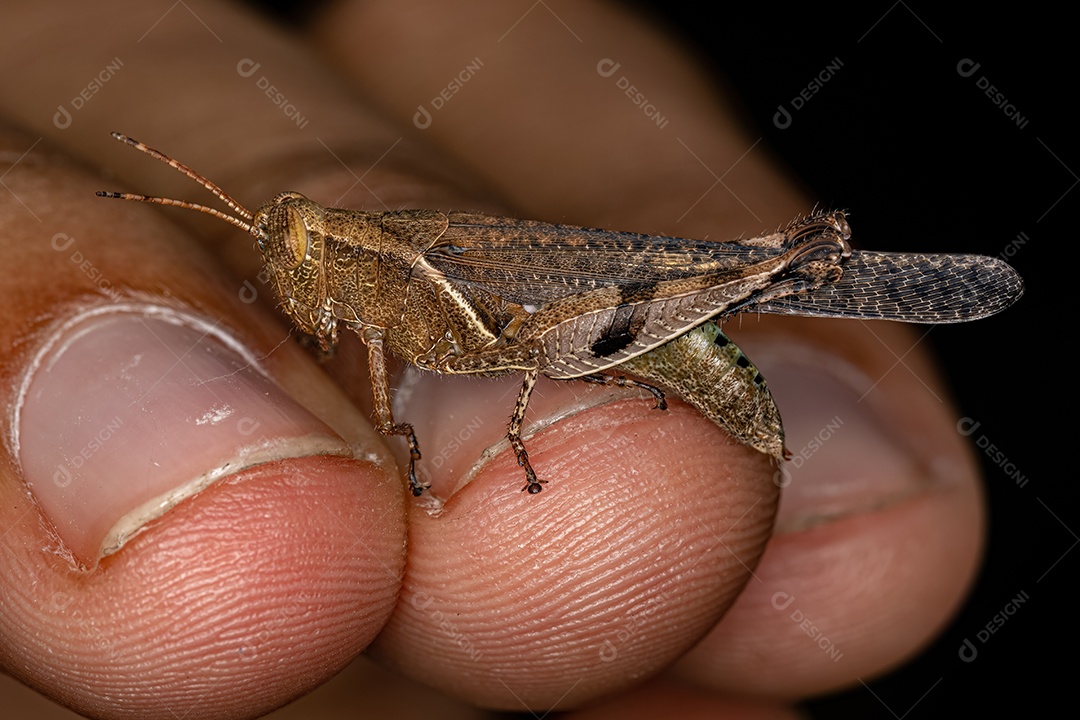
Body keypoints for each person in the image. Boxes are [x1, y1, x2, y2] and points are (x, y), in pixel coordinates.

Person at [0, 1, 984, 717]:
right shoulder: (365, 294)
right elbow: (394, 355)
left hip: (624, 317)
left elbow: (507, 345)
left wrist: (518, 422)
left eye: (296, 246)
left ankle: (782, 264)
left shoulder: (396, 264)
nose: (291, 268)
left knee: (705, 273)